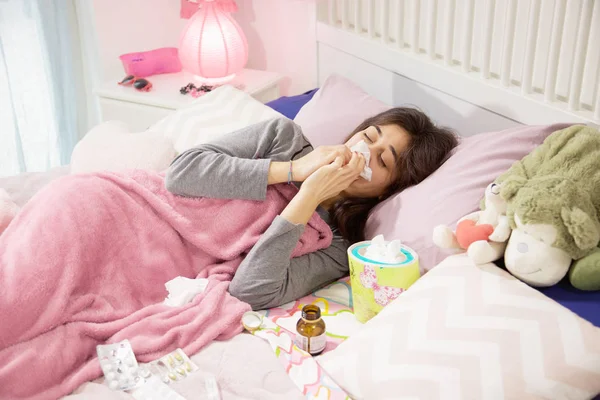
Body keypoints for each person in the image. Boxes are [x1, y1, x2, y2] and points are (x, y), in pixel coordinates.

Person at [165, 108, 458, 310]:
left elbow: (250, 292)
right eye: (368, 137)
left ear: (388, 190)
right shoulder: (283, 137)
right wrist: (294, 170)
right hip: (146, 209)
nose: (363, 153)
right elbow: (180, 175)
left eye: (383, 161)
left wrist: (309, 197)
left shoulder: (338, 245)